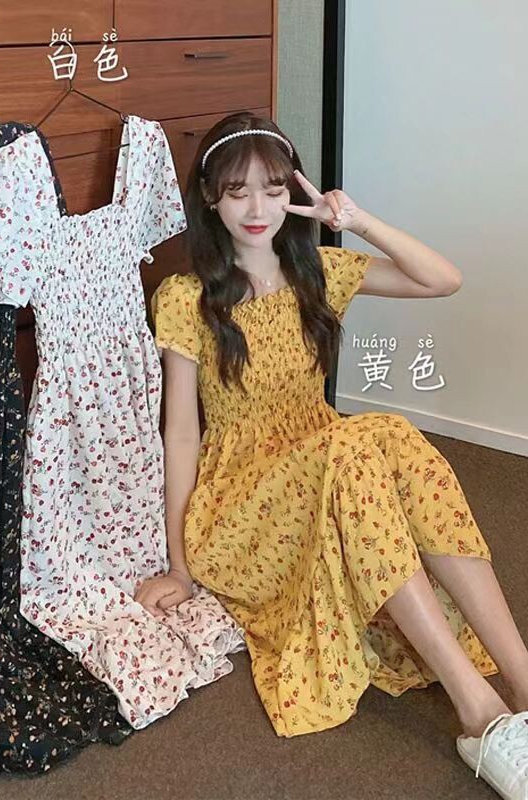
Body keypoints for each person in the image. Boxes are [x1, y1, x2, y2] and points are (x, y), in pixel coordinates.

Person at [133, 111, 528, 800]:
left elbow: (443, 280)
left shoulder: (318, 271)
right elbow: (182, 433)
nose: (257, 208)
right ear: (210, 199)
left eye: (273, 188)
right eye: (237, 191)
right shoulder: (186, 298)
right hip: (243, 500)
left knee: (387, 437)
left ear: (293, 192)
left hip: (326, 459)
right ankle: (481, 715)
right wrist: (180, 564)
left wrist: (357, 220)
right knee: (356, 442)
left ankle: (522, 680)